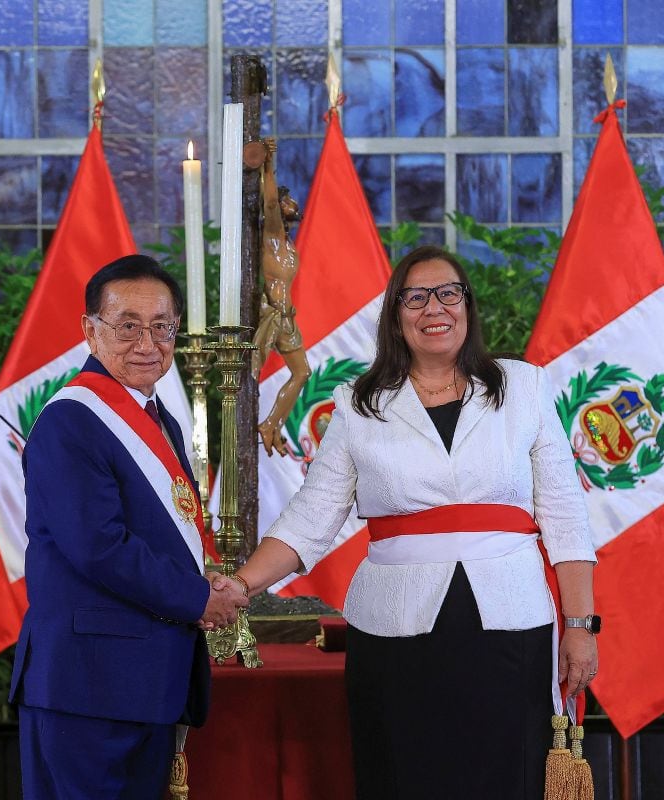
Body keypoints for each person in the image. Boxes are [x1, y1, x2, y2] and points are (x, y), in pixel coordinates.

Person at [215, 245, 599, 798]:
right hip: (394, 632)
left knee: (504, 777)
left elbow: (565, 515)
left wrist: (581, 627)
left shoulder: (524, 388)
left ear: (467, 306)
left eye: (448, 293)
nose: (434, 308)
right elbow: (311, 518)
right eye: (415, 297)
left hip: (511, 626)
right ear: (396, 315)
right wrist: (242, 584)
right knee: (404, 777)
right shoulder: (359, 403)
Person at [10, 254, 250, 799]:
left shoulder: (157, 416)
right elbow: (98, 547)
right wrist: (197, 598)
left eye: (162, 326)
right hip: (87, 685)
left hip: (143, 679)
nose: (148, 342)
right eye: (127, 326)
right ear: (89, 331)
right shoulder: (71, 420)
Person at [251, 138, 312, 456]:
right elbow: (271, 202)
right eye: (290, 201)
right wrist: (268, 165)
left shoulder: (288, 246)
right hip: (272, 316)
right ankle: (264, 424)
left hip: (287, 317)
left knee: (303, 372)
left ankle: (272, 423)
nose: (294, 205)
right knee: (250, 373)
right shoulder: (273, 236)